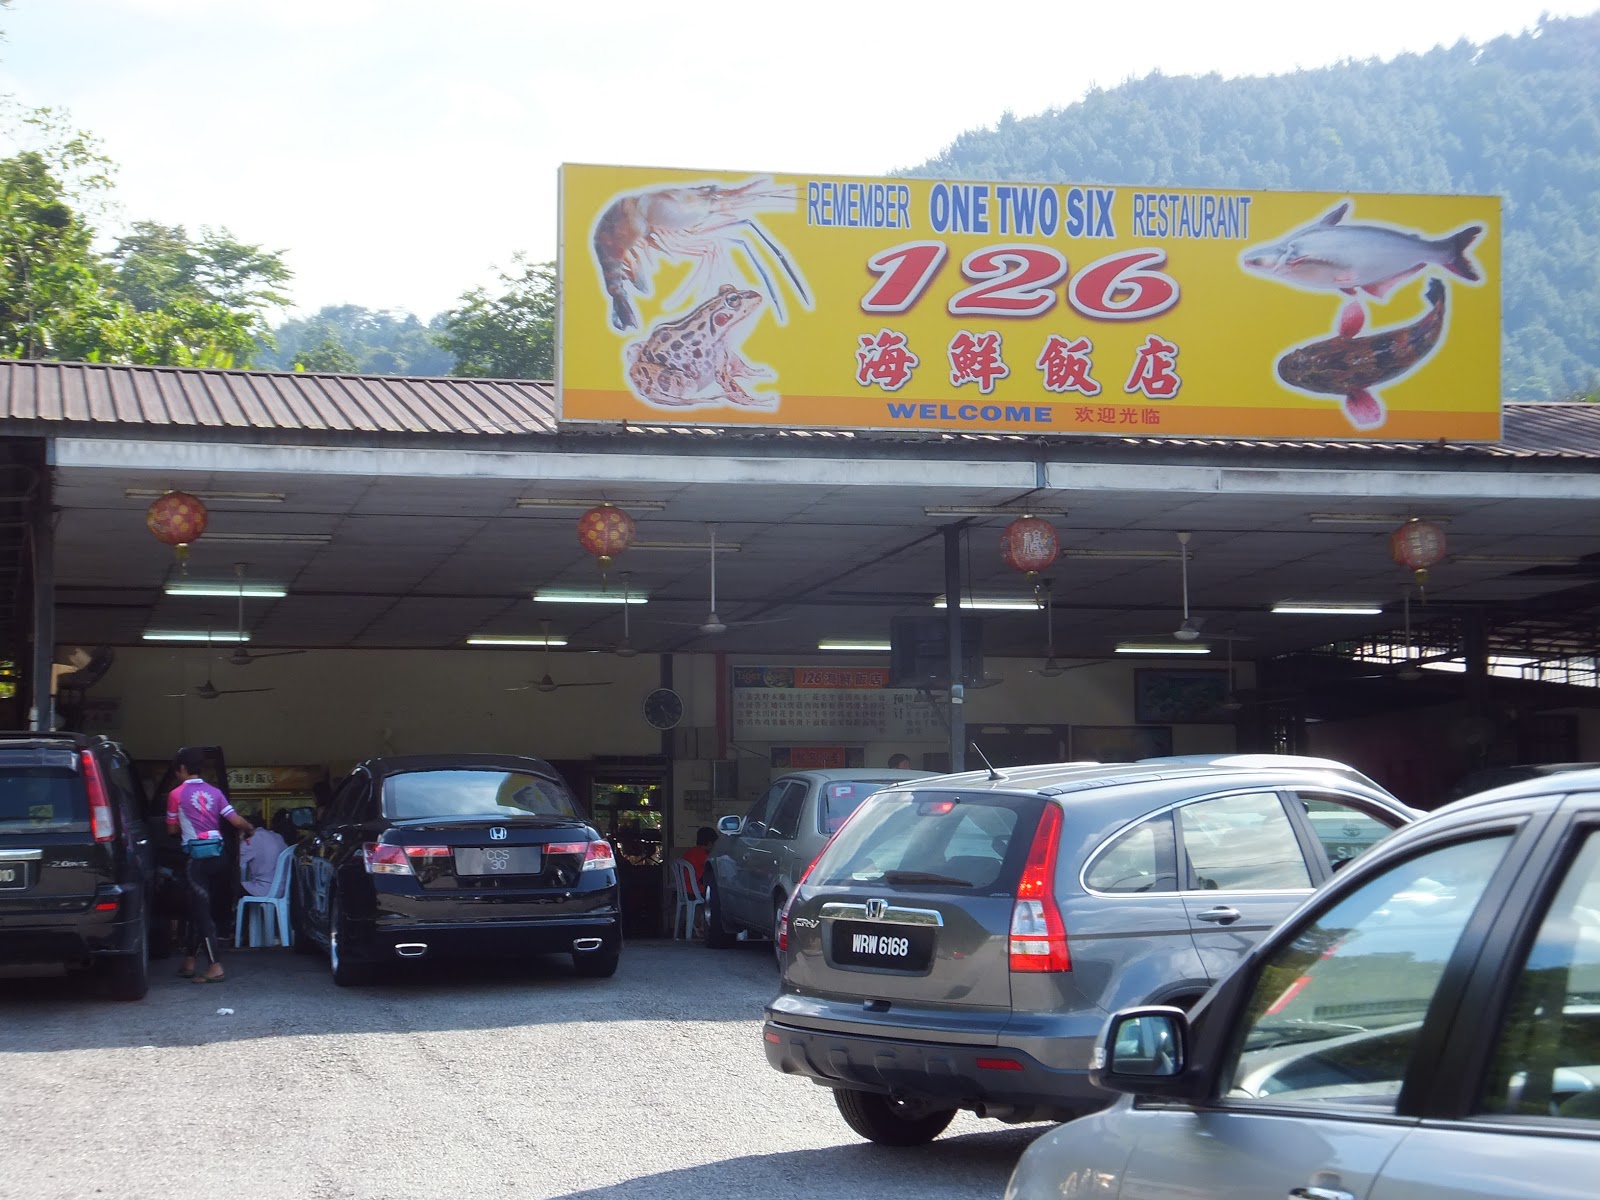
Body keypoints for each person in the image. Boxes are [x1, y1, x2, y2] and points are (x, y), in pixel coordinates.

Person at [166, 747, 254, 983]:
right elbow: (236, 821)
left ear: (182, 768)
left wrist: (184, 824)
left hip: (197, 860)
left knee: (201, 911)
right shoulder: (215, 792)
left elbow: (171, 829)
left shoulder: (176, 794)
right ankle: (189, 962)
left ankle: (215, 966)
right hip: (219, 857)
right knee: (199, 908)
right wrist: (250, 829)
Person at [239, 823, 289, 898]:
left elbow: (233, 862)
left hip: (263, 890)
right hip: (282, 890)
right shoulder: (277, 836)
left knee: (225, 883)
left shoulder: (253, 838)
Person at [680, 826, 717, 892]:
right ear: (710, 843)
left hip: (685, 887)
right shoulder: (703, 856)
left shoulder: (690, 851)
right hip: (697, 889)